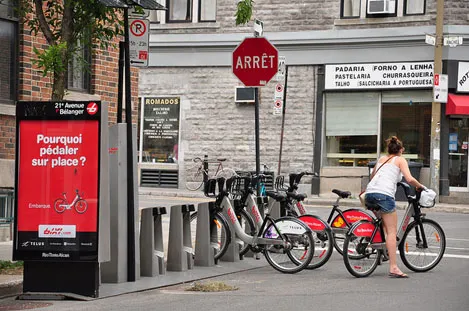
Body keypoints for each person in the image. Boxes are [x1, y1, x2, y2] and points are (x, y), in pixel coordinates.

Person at [365, 136, 425, 279]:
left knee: (384, 225)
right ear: (401, 150)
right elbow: (409, 179)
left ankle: (381, 252)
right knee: (392, 231)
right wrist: (420, 186)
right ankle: (393, 267)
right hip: (384, 195)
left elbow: (372, 176)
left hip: (370, 194)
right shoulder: (400, 160)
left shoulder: (381, 159)